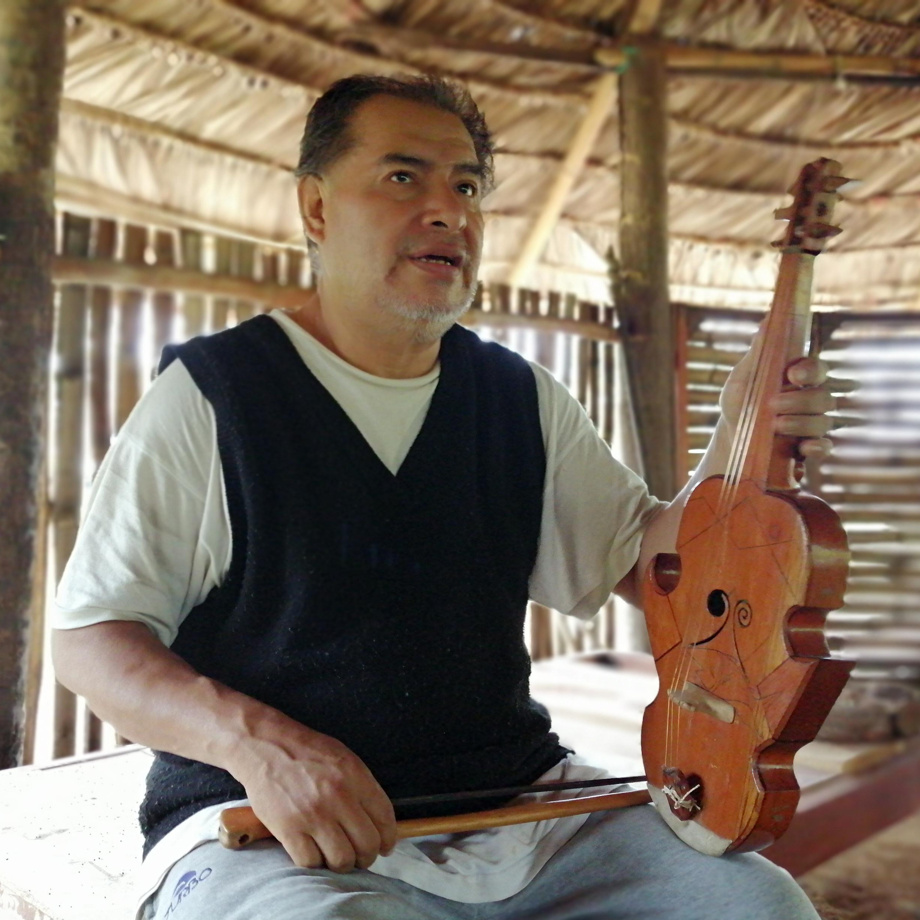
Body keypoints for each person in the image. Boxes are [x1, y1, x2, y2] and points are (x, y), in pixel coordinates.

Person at [52, 74, 836, 920]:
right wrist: (262, 747)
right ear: (316, 210)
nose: (448, 210)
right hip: (277, 830)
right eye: (403, 177)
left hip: (518, 812)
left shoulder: (517, 398)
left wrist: (737, 432)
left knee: (757, 905)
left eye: (466, 186)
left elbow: (665, 576)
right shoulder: (214, 396)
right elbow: (92, 641)